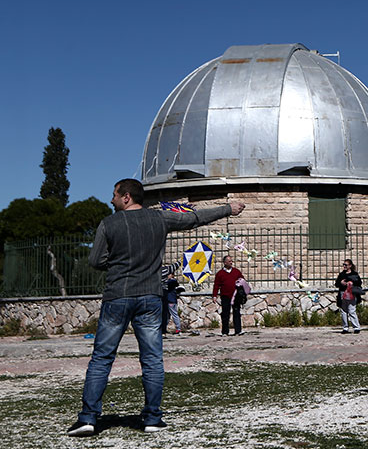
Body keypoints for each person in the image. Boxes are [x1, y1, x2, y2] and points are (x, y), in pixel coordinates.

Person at [67, 178, 244, 437]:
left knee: (102, 358)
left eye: (114, 195)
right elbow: (194, 218)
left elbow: (95, 260)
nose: (111, 199)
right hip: (150, 297)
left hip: (117, 296)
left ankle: (88, 419)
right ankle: (152, 418)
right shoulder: (160, 219)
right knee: (151, 359)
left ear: (126, 197)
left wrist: (117, 263)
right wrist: (228, 209)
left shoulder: (108, 223)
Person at [212, 256, 245, 336]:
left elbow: (242, 280)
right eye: (229, 261)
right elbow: (216, 285)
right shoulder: (220, 274)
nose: (231, 262)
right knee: (225, 314)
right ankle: (225, 331)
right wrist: (214, 295)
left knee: (236, 313)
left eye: (231, 261)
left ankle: (238, 331)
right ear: (225, 262)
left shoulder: (236, 272)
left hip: (235, 296)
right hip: (225, 296)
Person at [335, 259, 363, 334]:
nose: (344, 266)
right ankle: (345, 327)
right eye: (343, 264)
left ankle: (356, 327)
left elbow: (359, 282)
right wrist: (341, 283)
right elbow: (337, 284)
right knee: (343, 311)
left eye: (346, 265)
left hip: (352, 294)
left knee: (352, 310)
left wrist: (351, 282)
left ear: (350, 266)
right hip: (343, 293)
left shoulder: (354, 274)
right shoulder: (341, 274)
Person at [161, 268, 183, 335]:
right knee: (167, 315)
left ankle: (178, 329)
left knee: (174, 314)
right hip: (168, 300)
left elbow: (169, 283)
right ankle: (164, 328)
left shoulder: (172, 281)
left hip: (171, 300)